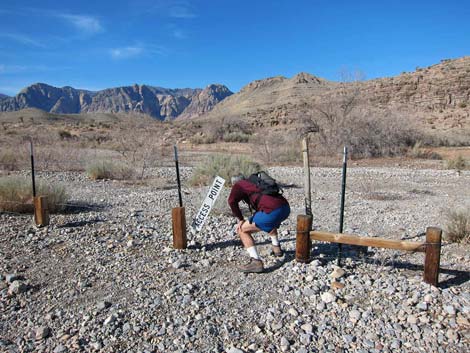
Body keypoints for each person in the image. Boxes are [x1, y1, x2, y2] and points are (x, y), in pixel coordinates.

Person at [228, 174, 290, 273]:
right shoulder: (255, 183)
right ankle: (277, 248)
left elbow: (231, 201)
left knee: (242, 230)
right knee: (267, 220)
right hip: (285, 207)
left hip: (272, 211)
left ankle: (256, 262)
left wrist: (240, 219)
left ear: (233, 183)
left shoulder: (238, 185)